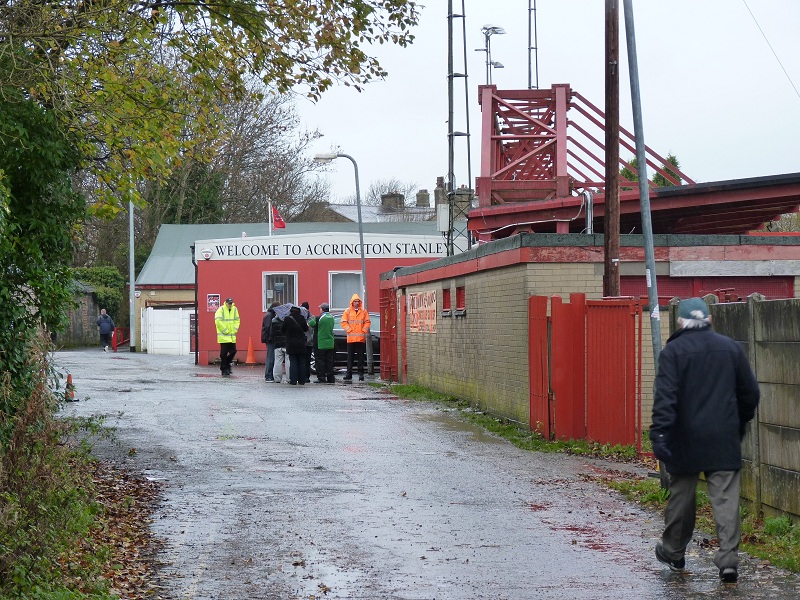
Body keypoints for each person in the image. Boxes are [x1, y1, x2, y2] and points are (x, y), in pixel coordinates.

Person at [650, 297, 760, 584]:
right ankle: (728, 561)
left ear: (681, 322)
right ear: (709, 320)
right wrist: (740, 423)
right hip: (723, 436)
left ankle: (674, 550)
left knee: (682, 497)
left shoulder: (673, 352)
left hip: (684, 439)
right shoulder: (731, 348)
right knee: (725, 500)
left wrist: (660, 434)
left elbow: (665, 399)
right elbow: (750, 393)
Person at [340, 293, 371, 382]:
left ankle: (361, 374)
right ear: (352, 302)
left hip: (360, 339)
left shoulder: (363, 311)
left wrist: (363, 330)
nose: (357, 303)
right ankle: (349, 374)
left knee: (360, 358)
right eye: (355, 301)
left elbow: (367, 322)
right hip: (351, 339)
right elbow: (343, 322)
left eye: (358, 301)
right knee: (350, 358)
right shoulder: (348, 311)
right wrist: (349, 330)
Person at [281, 305, 309, 385]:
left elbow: (282, 330)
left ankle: (293, 380)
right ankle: (302, 380)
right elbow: (305, 329)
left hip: (291, 343)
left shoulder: (287, 319)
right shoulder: (302, 318)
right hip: (301, 343)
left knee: (293, 362)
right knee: (301, 362)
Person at [215, 297, 240, 377]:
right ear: (225, 303)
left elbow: (237, 320)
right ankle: (224, 369)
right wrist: (225, 330)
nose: (230, 305)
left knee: (233, 351)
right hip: (223, 336)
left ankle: (225, 365)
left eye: (231, 303)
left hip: (232, 335)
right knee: (223, 354)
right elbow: (218, 321)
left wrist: (235, 329)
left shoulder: (234, 309)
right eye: (229, 303)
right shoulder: (221, 310)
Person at [311, 302, 336, 383]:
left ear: (322, 309)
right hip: (330, 342)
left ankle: (321, 377)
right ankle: (330, 378)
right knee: (329, 361)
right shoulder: (332, 317)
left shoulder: (319, 318)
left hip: (321, 342)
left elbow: (311, 324)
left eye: (320, 308)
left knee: (320, 360)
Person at [261, 301, 280, 382]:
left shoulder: (269, 315)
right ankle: (268, 375)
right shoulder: (269, 316)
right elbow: (269, 328)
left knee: (271, 357)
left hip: (270, 338)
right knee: (271, 357)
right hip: (270, 339)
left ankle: (269, 375)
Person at [271, 309, 288, 383]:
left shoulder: (274, 321)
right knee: (288, 361)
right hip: (287, 344)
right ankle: (289, 378)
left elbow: (272, 333)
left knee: (278, 361)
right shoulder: (287, 321)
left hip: (277, 344)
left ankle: (277, 378)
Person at [300, 301, 313, 383]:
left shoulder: (302, 318)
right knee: (307, 360)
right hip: (310, 342)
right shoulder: (312, 317)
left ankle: (303, 376)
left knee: (302, 360)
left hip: (303, 341)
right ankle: (307, 377)